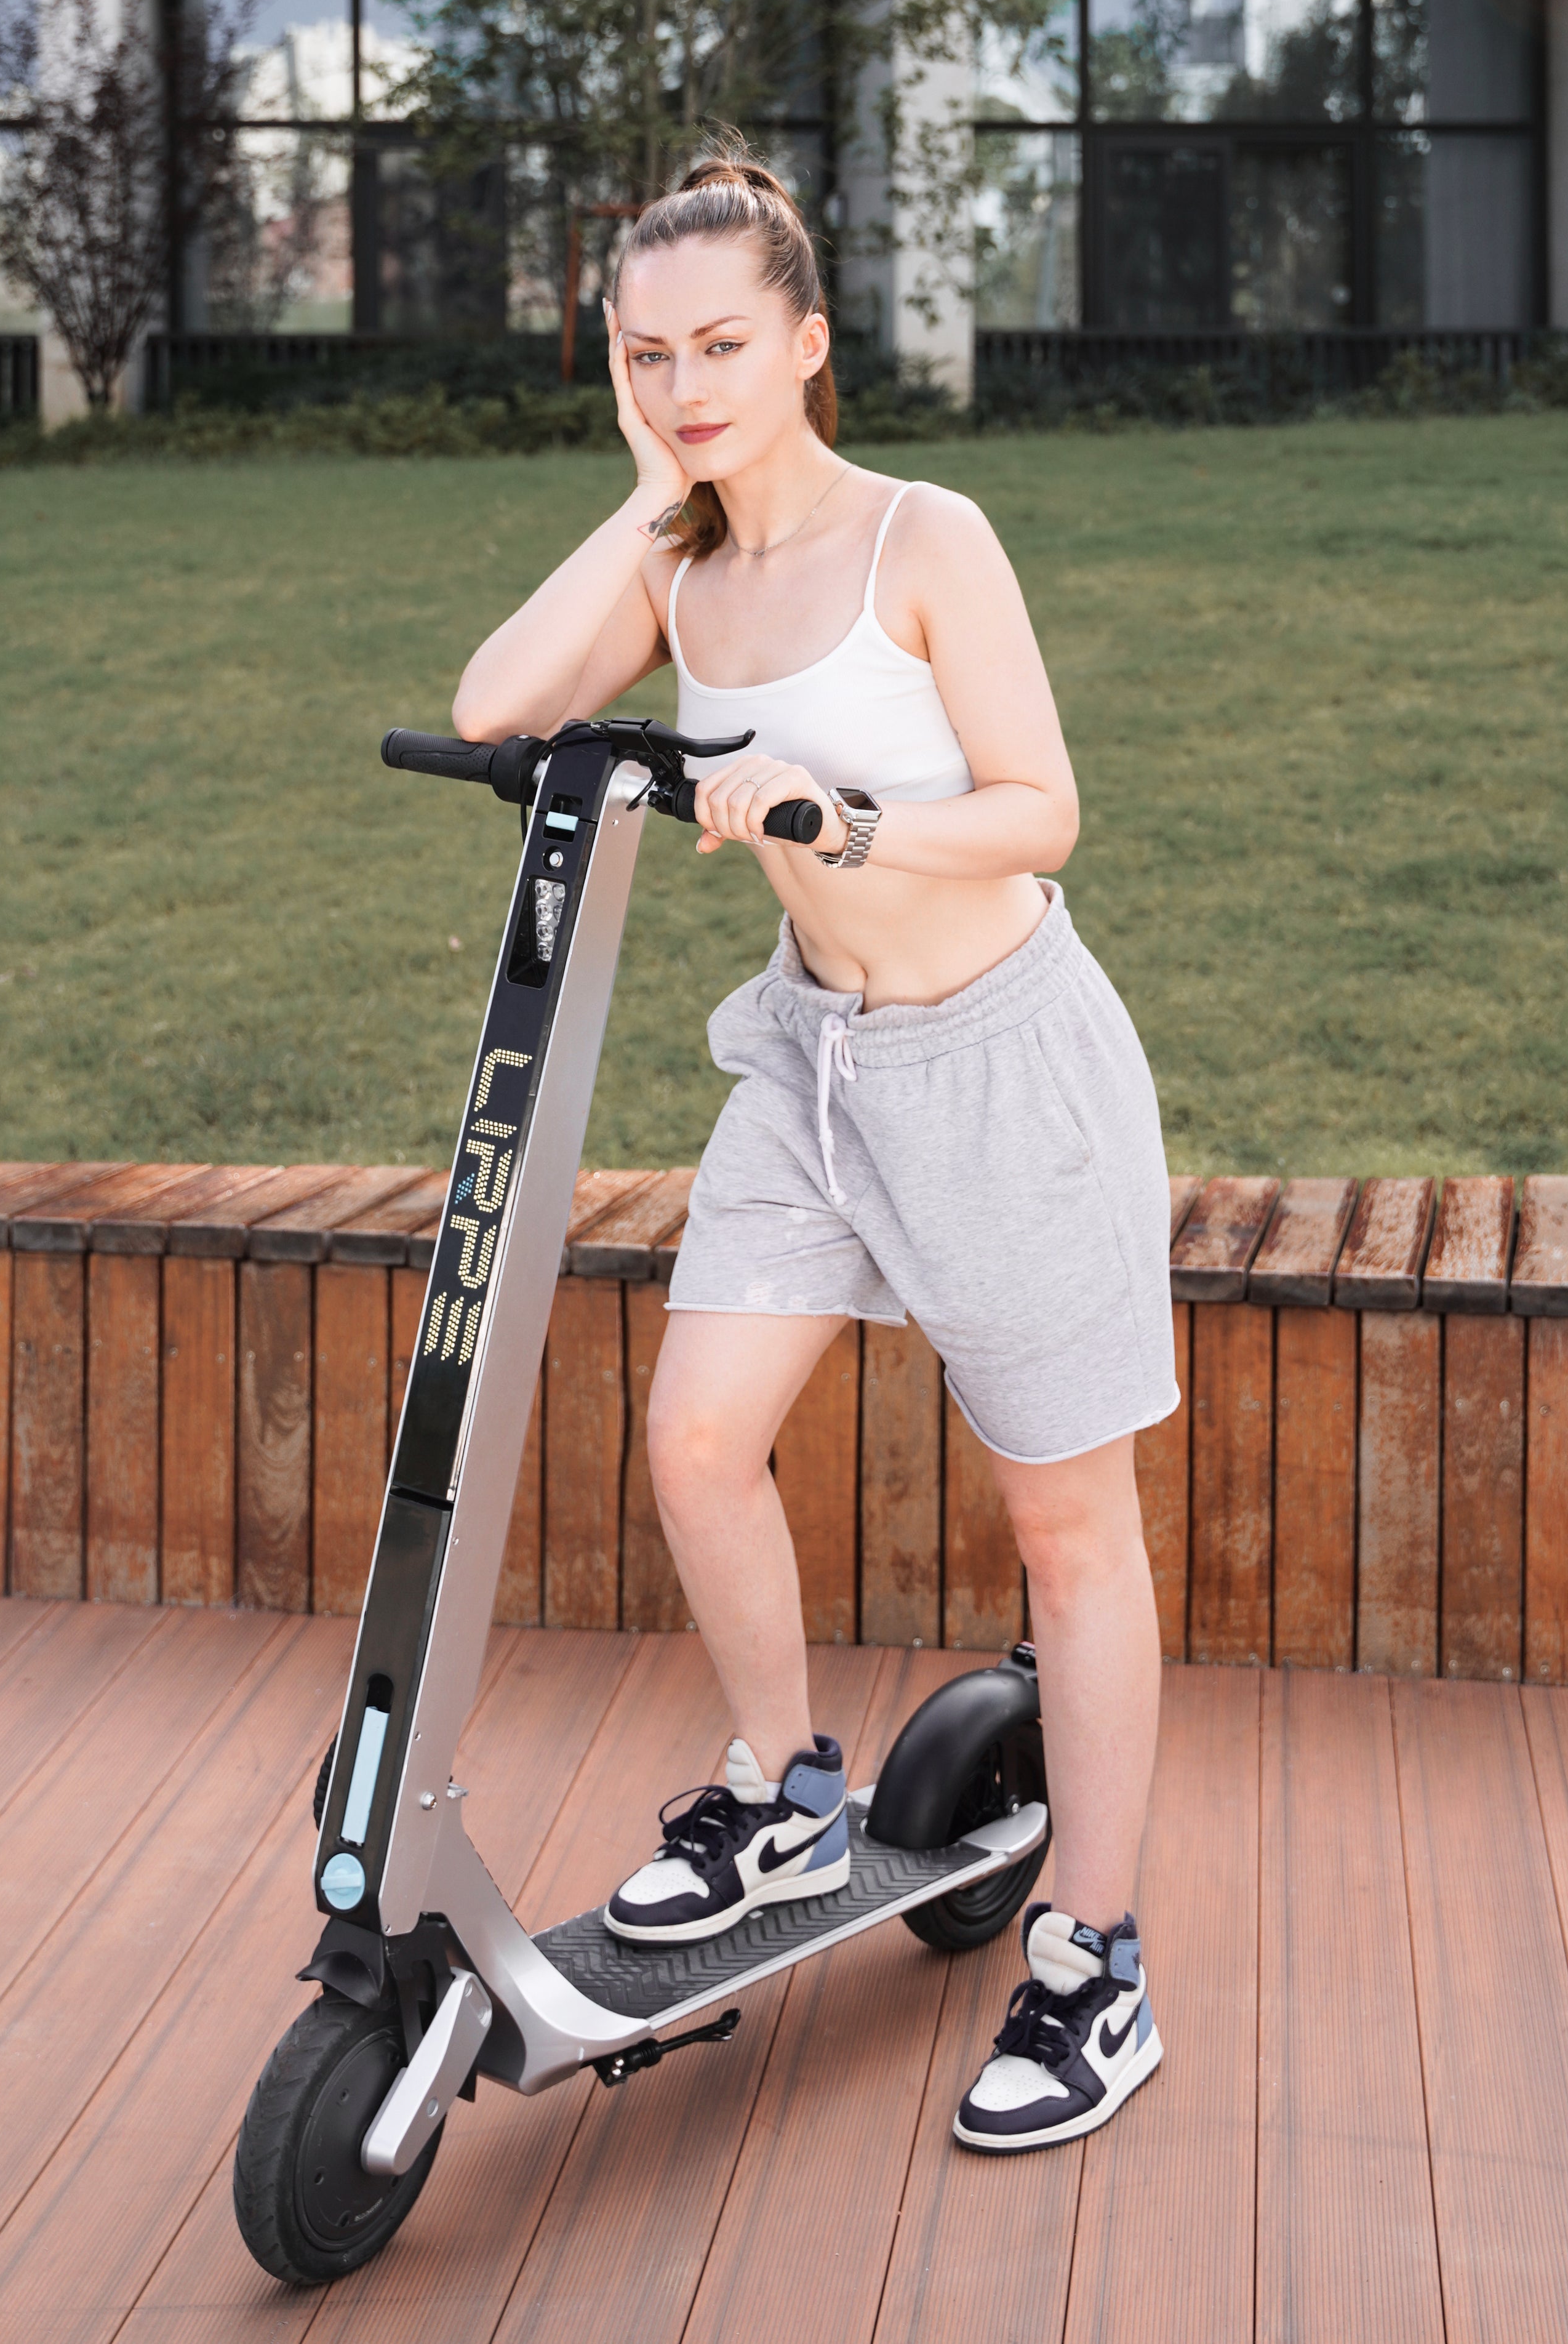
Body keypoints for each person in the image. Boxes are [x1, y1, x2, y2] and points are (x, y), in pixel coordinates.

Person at [452, 151, 1175, 2153]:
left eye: (722, 346)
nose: (687, 385)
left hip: (1000, 1064)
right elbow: (496, 704)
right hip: (811, 1060)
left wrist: (840, 818)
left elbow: (1043, 809)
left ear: (809, 343)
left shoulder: (924, 536)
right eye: (647, 355)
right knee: (696, 1437)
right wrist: (641, 498)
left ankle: (1096, 1958)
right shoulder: (681, 565)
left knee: (1070, 1533)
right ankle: (785, 1791)